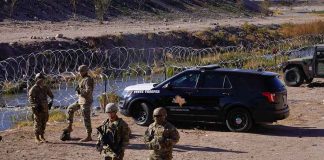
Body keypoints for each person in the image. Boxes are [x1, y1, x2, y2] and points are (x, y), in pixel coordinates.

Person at [62, 65, 95, 142]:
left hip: (86, 101)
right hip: (81, 100)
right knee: (70, 108)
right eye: (79, 71)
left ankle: (89, 136)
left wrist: (80, 91)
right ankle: (70, 126)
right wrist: (79, 91)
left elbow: (88, 91)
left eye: (81, 71)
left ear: (85, 71)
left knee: (86, 118)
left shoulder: (88, 79)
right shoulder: (83, 79)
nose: (80, 73)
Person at [28, 73, 54, 143]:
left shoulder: (45, 87)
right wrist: (34, 106)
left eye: (42, 79)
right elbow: (30, 98)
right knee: (37, 123)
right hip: (38, 108)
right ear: (36, 79)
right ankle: (37, 138)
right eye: (39, 79)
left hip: (45, 108)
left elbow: (51, 95)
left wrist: (51, 102)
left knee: (44, 122)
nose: (41, 80)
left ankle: (42, 136)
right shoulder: (34, 88)